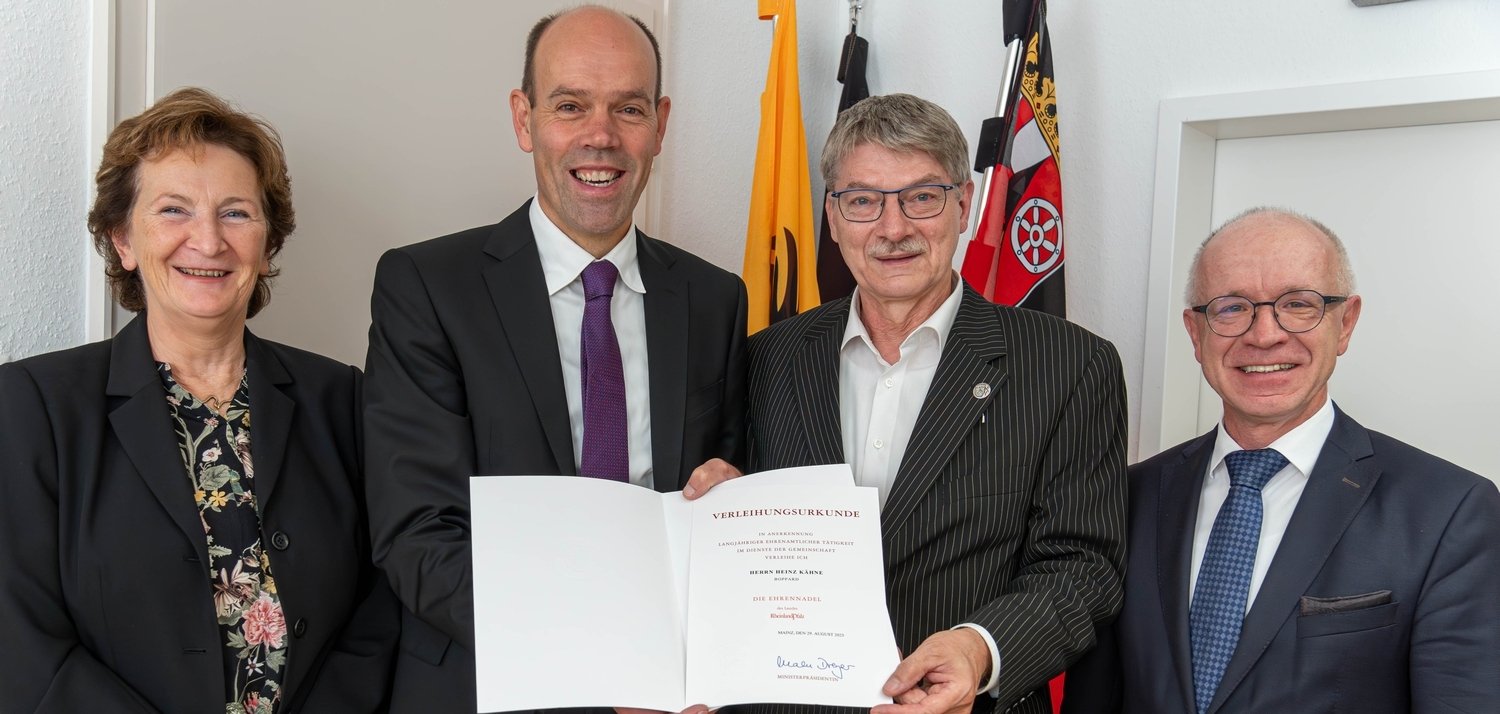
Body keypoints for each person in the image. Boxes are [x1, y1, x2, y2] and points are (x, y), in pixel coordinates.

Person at [362, 6, 747, 711]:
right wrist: (603, 651)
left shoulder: (713, 299)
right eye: (570, 105)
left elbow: (721, 491)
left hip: (669, 696)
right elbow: (418, 536)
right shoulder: (427, 287)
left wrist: (732, 504)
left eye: (628, 108)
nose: (600, 137)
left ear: (660, 124)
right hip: (487, 686)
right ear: (524, 118)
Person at [691, 93, 1127, 714]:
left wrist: (979, 650)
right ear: (833, 218)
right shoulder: (765, 360)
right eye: (863, 201)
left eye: (921, 196)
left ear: (964, 205)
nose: (893, 228)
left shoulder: (1071, 366)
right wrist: (720, 512)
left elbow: (1085, 568)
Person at [0, 87, 396, 713]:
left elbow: (385, 601)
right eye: (174, 210)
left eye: (236, 213)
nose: (208, 241)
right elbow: (16, 638)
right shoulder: (32, 407)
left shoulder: (342, 398)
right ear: (122, 241)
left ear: (267, 247)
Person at [1062, 208, 1500, 713]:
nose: (1264, 334)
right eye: (1231, 308)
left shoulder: (1449, 510)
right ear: (1195, 332)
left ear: (1346, 322)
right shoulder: (1127, 499)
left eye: (1298, 304)